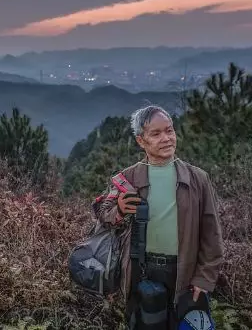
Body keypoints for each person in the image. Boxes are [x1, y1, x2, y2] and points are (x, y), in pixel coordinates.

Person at [96, 105, 224, 329]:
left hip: (184, 272)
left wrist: (204, 279)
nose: (166, 138)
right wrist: (119, 210)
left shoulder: (198, 179)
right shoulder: (127, 178)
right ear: (141, 141)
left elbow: (211, 234)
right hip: (142, 272)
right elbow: (101, 212)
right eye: (156, 134)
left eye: (169, 130)